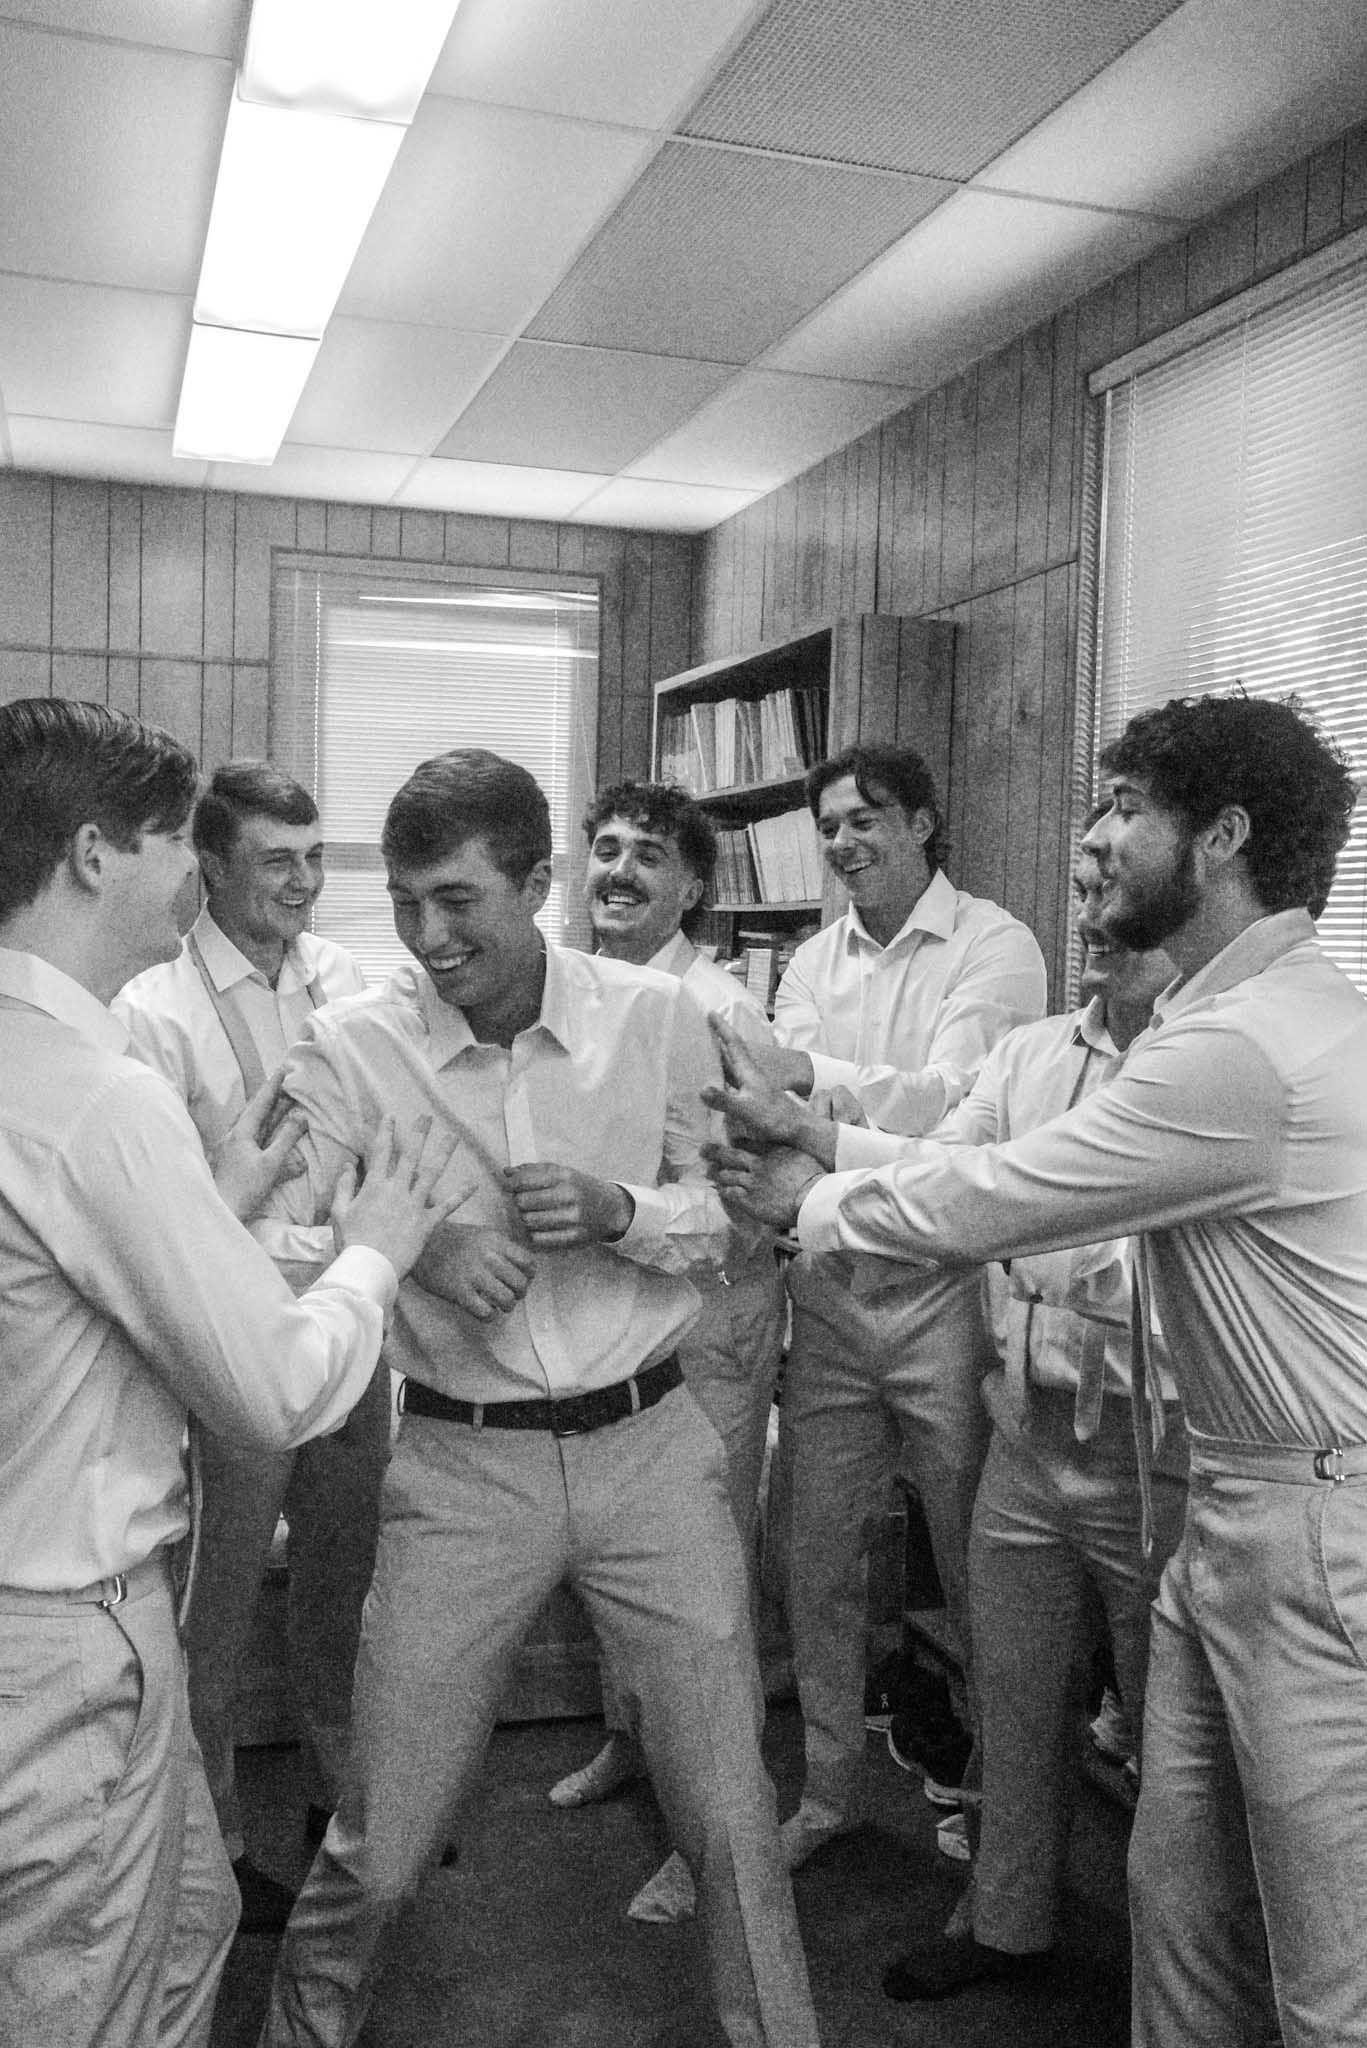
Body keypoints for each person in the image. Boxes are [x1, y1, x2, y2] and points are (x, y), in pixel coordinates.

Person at [706, 692, 1367, 2048]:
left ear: (1223, 836)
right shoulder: (1232, 1021)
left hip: (1309, 1528)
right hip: (1238, 1518)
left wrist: (800, 1193)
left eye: (1124, 812)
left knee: (1321, 1961)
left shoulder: (1239, 1044)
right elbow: (978, 1164)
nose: (1093, 845)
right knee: (1175, 1892)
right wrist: (825, 1151)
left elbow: (998, 1202)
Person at [256, 749, 819, 2048]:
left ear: (538, 880)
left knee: (730, 1819)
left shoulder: (658, 1021)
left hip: (650, 1451)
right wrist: (397, 1246)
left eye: (457, 900)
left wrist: (625, 1211)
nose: (426, 936)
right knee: (383, 1838)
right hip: (460, 1473)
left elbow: (724, 1229)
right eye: (403, 902)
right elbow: (267, 1234)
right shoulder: (352, 1046)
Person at [0, 698, 465, 2048]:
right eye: (166, 840)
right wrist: (376, 1252)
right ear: (94, 855)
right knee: (77, 1999)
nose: (191, 872)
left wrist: (211, 1191)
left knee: (192, 1922)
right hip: (62, 1641)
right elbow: (266, 1390)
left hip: (48, 1601)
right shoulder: (99, 1080)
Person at [790, 850, 1188, 1996]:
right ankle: (1005, 1919)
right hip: (1024, 1431)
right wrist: (812, 1143)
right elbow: (943, 1165)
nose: (1098, 926)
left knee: (1175, 1738)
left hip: (1154, 1453)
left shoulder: (1199, 1065)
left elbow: (1090, 1233)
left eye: (1123, 908)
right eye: (1088, 905)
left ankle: (1177, 1975)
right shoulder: (1029, 1053)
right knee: (1010, 1697)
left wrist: (993, 1225)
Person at [740, 742, 1047, 1864]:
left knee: (978, 1570)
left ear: (923, 821)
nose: (840, 841)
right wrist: (814, 1105)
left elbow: (955, 1113)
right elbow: (849, 1105)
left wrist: (813, 1093)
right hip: (825, 1292)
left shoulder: (995, 945)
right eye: (828, 824)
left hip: (944, 1293)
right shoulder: (812, 958)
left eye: (864, 818)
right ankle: (827, 1788)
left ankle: (1000, 1808)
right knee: (811, 1560)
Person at [115, 761, 376, 1931]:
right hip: (232, 1323)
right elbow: (169, 1213)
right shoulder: (151, 1012)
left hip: (351, 1311)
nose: (304, 883)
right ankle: (212, 1835)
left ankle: (341, 1808)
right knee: (214, 1601)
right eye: (278, 861)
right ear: (212, 868)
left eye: (316, 858)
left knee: (341, 1579)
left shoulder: (354, 983)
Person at [547, 780, 788, 1925]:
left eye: (648, 855)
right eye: (603, 850)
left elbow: (742, 1202)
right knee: (621, 1576)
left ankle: (709, 1839)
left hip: (710, 1327)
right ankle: (627, 1749)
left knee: (705, 1600)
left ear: (694, 885)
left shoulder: (722, 1008)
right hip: (612, 1330)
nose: (619, 871)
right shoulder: (574, 993)